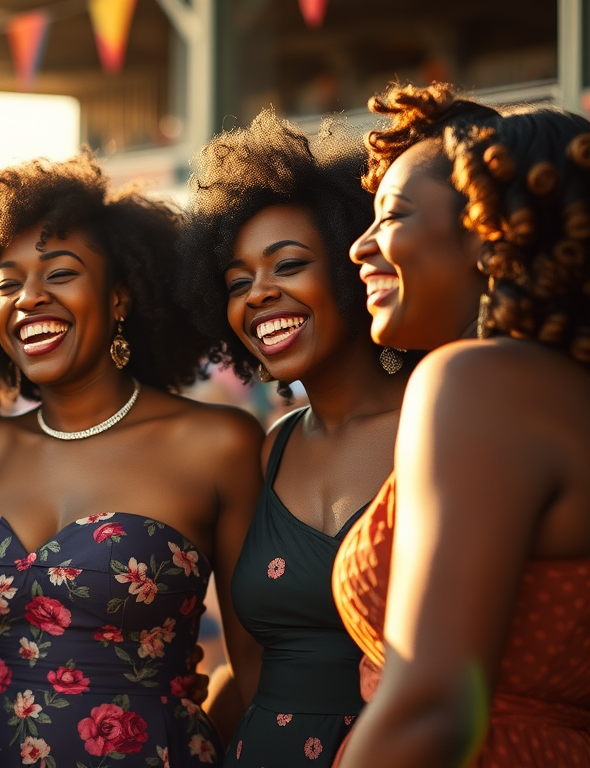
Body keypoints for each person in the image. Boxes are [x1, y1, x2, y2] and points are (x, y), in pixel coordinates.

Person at [0, 153, 264, 767]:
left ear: (119, 297)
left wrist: (186, 735)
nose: (29, 298)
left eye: (60, 273)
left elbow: (258, 663)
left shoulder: (217, 444)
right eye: (7, 282)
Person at [333, 84, 590, 766]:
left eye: (392, 216)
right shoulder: (559, 396)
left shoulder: (477, 384)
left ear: (487, 232)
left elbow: (431, 708)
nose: (360, 248)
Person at [178, 110, 410, 767]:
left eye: (288, 265)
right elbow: (249, 669)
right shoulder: (268, 449)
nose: (259, 294)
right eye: (237, 282)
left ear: (354, 265)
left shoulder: (436, 424)